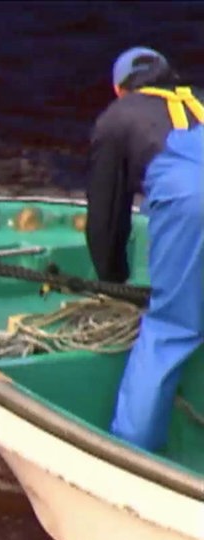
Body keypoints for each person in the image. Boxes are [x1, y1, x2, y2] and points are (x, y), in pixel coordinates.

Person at [85, 47, 203, 452]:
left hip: (193, 203)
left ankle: (132, 453)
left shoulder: (118, 118)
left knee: (172, 328)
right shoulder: (199, 97)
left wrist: (112, 280)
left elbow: (106, 218)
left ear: (120, 90)